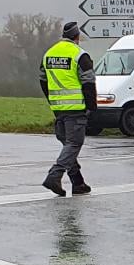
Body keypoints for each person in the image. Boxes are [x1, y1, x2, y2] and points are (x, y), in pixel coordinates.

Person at [40, 21, 96, 197]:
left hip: (58, 108)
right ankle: (54, 176)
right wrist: (91, 106)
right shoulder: (80, 55)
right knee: (74, 144)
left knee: (68, 145)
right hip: (76, 107)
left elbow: (43, 80)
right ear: (77, 37)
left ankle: (78, 183)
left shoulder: (49, 53)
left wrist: (52, 100)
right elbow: (88, 83)